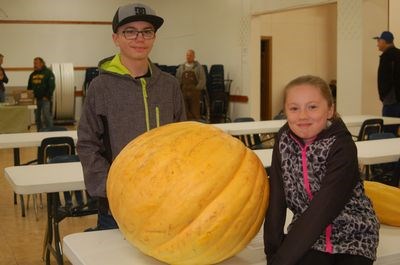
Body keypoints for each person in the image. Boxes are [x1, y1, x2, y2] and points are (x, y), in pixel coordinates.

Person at [77, 3, 186, 230]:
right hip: (117, 208)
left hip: (165, 203)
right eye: (130, 31)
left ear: (154, 37)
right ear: (116, 38)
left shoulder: (170, 85)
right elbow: (88, 144)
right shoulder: (100, 87)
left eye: (147, 31)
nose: (140, 38)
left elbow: (183, 140)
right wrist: (112, 188)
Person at [264, 75, 379, 265]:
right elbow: (277, 197)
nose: (302, 116)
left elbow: (323, 209)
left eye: (312, 107)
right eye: (294, 108)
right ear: (285, 111)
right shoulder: (283, 140)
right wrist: (272, 252)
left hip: (353, 235)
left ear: (330, 110)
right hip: (308, 237)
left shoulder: (342, 147)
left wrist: (282, 261)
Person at [374, 31, 400, 135]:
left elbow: (386, 79)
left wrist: (384, 95)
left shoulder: (387, 57)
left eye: (379, 41)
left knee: (389, 131)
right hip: (396, 99)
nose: (377, 44)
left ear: (384, 41)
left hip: (391, 101)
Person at [176, 49, 206, 120]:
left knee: (195, 111)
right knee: (184, 111)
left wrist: (196, 89)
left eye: (190, 55)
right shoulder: (181, 67)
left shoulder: (198, 67)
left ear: (194, 56)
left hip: (194, 93)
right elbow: (178, 80)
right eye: (187, 55)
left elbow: (202, 80)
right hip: (183, 93)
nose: (188, 57)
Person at [27, 57, 55, 131]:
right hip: (35, 100)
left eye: (36, 63)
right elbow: (29, 87)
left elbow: (52, 86)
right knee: (37, 117)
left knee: (46, 116)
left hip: (45, 99)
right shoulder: (32, 75)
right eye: (34, 63)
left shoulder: (48, 73)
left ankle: (50, 132)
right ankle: (40, 132)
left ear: (41, 63)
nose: (34, 65)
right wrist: (30, 97)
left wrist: (47, 96)